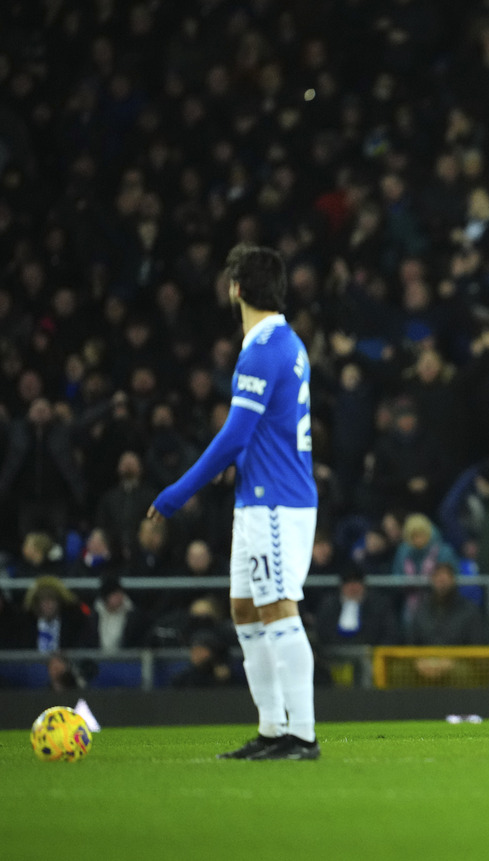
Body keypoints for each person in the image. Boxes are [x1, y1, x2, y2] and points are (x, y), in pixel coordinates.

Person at [149, 245, 320, 761]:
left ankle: (303, 734)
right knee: (245, 611)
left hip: (275, 502)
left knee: (277, 608)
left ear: (236, 289)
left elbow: (233, 437)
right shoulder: (283, 343)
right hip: (257, 500)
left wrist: (177, 493)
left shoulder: (265, 348)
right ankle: (272, 730)